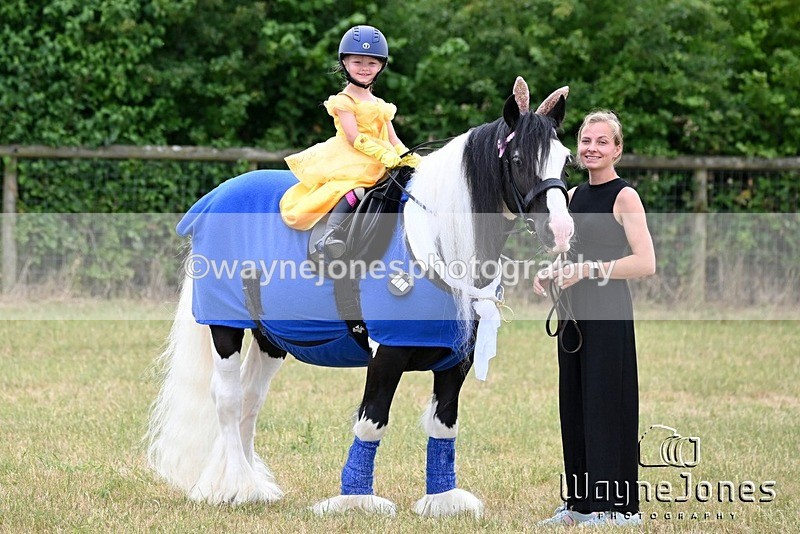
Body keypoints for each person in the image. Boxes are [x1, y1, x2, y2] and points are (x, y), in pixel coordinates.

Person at [534, 111, 656, 527]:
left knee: (608, 403)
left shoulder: (625, 197)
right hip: (573, 315)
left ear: (617, 149)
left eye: (602, 141)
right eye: (586, 140)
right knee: (576, 403)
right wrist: (551, 270)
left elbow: (645, 262)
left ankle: (618, 508)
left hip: (608, 312)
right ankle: (580, 503)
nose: (592, 148)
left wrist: (589, 270)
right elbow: (567, 253)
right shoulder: (571, 198)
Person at [279, 25, 420, 259]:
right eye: (358, 62)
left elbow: (393, 138)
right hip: (353, 157)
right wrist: (383, 155)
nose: (365, 69)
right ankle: (330, 235)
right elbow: (354, 137)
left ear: (381, 66)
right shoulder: (344, 100)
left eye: (371, 63)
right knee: (355, 189)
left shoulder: (380, 104)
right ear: (345, 63)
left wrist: (408, 157)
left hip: (378, 158)